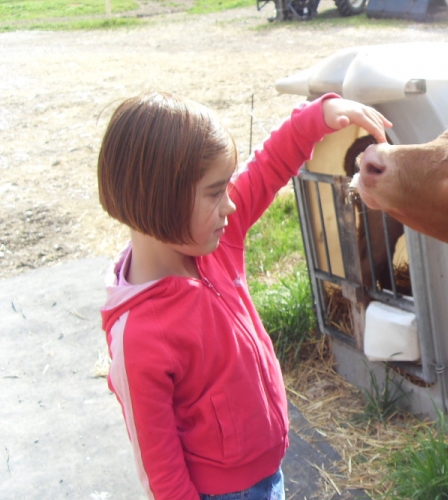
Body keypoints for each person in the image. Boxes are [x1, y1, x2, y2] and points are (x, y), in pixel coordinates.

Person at [98, 91, 391, 500]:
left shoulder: (214, 242)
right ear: (161, 200)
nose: (232, 205)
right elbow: (160, 470)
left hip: (268, 471)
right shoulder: (139, 337)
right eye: (216, 192)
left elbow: (268, 167)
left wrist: (316, 118)